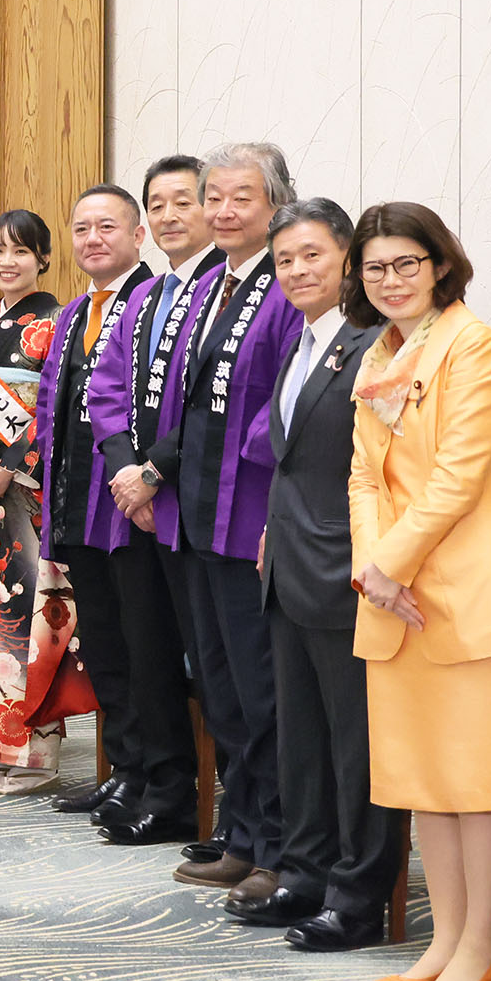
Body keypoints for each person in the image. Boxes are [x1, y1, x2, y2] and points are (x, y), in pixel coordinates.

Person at [346, 203, 491, 981]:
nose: (391, 280)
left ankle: (481, 948)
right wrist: (372, 571)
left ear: (439, 266)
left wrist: (390, 564)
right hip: (395, 599)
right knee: (424, 782)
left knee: (475, 782)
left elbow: (459, 479)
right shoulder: (379, 355)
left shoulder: (475, 346)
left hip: (465, 594)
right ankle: (446, 940)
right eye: (376, 267)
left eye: (407, 264)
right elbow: (363, 477)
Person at [118, 143, 305, 903]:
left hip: (248, 516)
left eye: (241, 198)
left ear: (275, 205)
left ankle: (280, 847)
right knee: (222, 692)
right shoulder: (207, 287)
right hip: (195, 516)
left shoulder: (283, 287)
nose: (223, 212)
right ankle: (244, 833)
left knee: (262, 695)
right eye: (214, 197)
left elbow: (284, 407)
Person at [235, 198, 401, 950]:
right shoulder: (304, 342)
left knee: (355, 744)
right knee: (300, 739)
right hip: (289, 566)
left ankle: (358, 897)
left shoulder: (376, 346)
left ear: (348, 261)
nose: (297, 271)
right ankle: (303, 875)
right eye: (284, 260)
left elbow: (390, 470)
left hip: (348, 570)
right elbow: (295, 460)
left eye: (313, 256)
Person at [90, 153, 218, 848]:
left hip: (188, 505)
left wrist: (153, 474)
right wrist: (124, 473)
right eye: (157, 204)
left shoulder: (225, 291)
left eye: (182, 201)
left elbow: (212, 405)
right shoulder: (145, 297)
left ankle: (218, 807)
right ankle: (165, 792)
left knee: (203, 657)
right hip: (132, 505)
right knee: (148, 655)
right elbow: (106, 389)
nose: (169, 216)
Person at [34, 186, 164, 821]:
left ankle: (153, 778)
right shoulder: (73, 312)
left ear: (138, 235)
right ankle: (123, 770)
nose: (93, 239)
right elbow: (49, 407)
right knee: (106, 645)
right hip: (76, 500)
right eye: (82, 227)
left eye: (107, 226)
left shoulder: (155, 301)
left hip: (129, 505)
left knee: (142, 646)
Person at [0, 210, 85, 791]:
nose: (7, 262)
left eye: (21, 251)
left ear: (43, 259)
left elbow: (57, 406)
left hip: (26, 490)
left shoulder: (59, 320)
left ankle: (33, 753)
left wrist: (9, 468)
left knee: (26, 613)